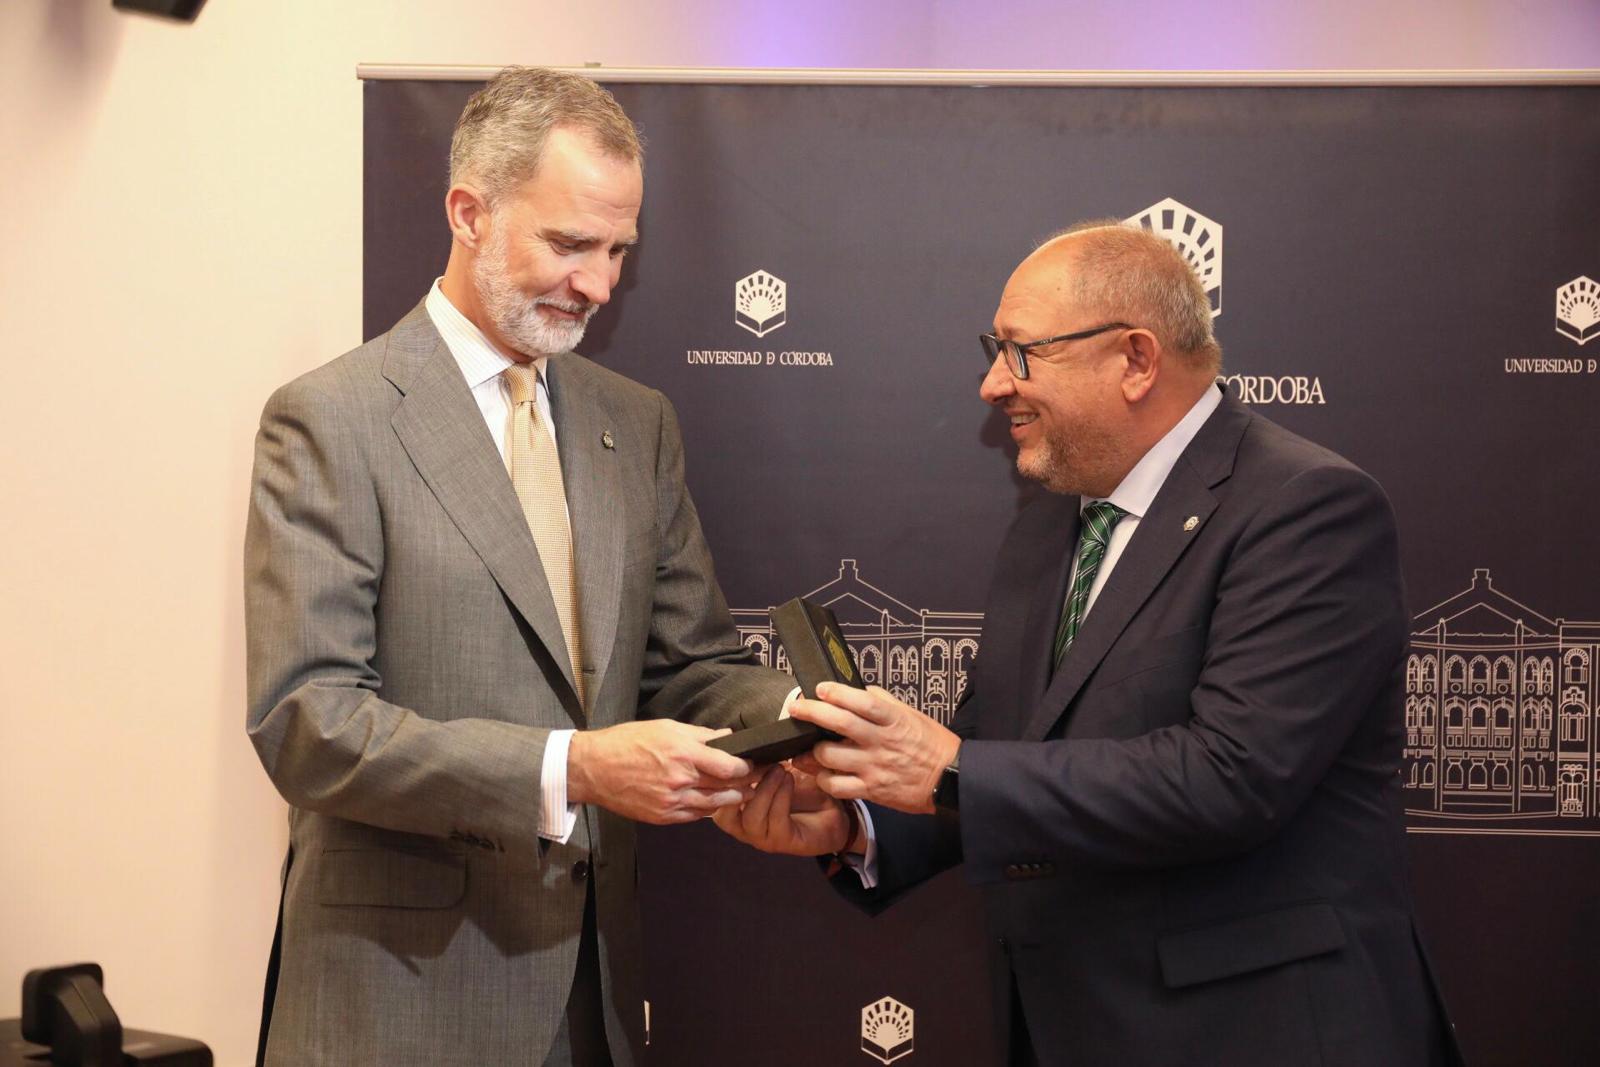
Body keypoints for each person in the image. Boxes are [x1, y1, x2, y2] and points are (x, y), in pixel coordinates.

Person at [717, 221, 1462, 1065]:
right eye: (993, 350)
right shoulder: (1048, 525)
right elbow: (1006, 759)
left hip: (1256, 1031)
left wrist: (949, 769)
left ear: (1136, 360)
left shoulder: (1306, 507)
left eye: (1020, 352)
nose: (993, 384)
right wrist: (859, 826)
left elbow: (1233, 775)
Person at [244, 67, 793, 1067]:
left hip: (594, 1002)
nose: (599, 282)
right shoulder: (333, 418)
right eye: (571, 243)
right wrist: (572, 767)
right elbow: (308, 722)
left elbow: (689, 667)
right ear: (469, 210)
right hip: (395, 1006)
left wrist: (802, 718)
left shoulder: (637, 423)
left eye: (620, 249)